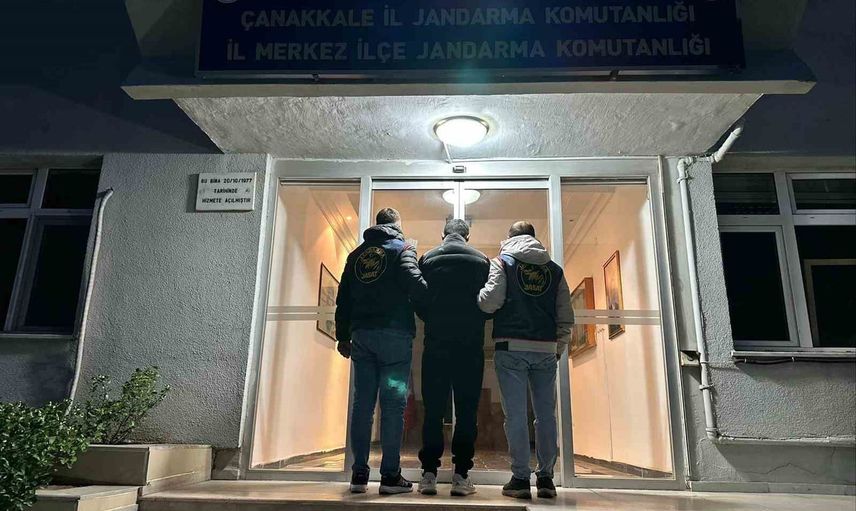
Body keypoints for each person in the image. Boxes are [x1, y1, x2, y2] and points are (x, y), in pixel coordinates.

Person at [477, 221, 573, 500]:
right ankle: (546, 479)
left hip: (511, 346)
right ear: (534, 238)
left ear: (509, 238)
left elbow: (490, 302)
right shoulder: (554, 270)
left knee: (516, 415)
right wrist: (558, 347)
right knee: (545, 415)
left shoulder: (502, 262)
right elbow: (565, 314)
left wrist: (478, 297)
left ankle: (520, 479)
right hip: (545, 348)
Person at [335, 208, 428, 495]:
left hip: (362, 336)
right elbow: (415, 282)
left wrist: (343, 336)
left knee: (362, 405)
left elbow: (343, 298)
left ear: (376, 225)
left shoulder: (356, 256)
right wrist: (429, 302)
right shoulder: (402, 248)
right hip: (394, 337)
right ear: (397, 225)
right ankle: (390, 476)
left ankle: (359, 475)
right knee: (393, 404)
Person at [416, 218, 490, 497]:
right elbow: (490, 300)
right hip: (470, 346)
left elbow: (419, 299)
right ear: (467, 236)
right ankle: (461, 476)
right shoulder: (481, 260)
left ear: (443, 234)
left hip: (436, 344)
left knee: (433, 410)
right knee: (467, 411)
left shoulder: (428, 259)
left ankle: (429, 475)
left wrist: (433, 318)